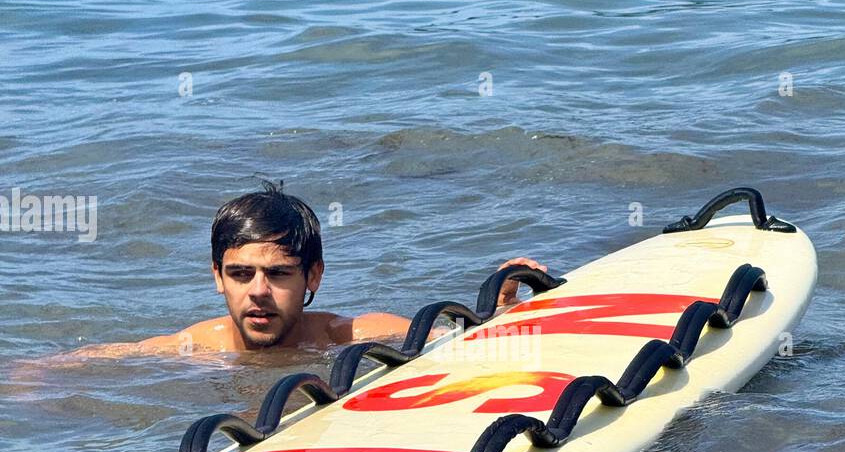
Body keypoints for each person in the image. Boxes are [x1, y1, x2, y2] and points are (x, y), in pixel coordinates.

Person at [54, 183, 548, 359]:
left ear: (313, 276)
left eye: (280, 274)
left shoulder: (346, 336)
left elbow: (463, 337)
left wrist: (505, 302)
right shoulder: (195, 349)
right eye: (241, 274)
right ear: (216, 276)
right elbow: (95, 362)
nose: (259, 293)